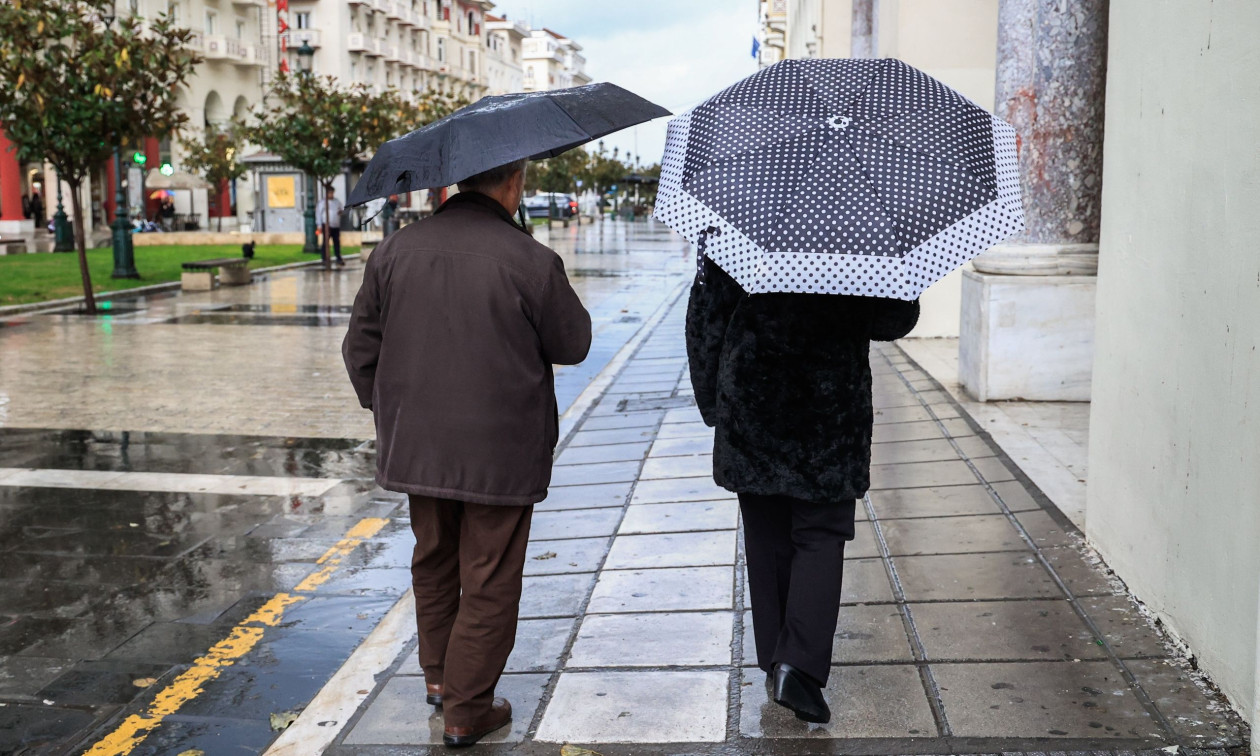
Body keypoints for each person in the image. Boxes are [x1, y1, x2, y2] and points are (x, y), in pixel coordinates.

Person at [342, 160, 591, 748]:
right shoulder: (528, 260)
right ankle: (467, 706)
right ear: (513, 184)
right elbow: (573, 342)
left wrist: (388, 413)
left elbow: (360, 348)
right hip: (500, 449)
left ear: (454, 185)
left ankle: (438, 679)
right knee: (489, 574)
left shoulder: (396, 250)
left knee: (434, 559)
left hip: (418, 445)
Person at [685, 256, 919, 724]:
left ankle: (778, 662)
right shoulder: (857, 230)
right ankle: (799, 666)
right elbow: (893, 319)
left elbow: (705, 318)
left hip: (753, 398)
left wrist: (714, 404)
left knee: (766, 533)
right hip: (829, 408)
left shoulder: (741, 222)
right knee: (821, 533)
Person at [315, 186, 345, 266]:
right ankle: (324, 258)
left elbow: (341, 209)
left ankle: (338, 257)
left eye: (332, 193)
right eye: (329, 193)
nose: (331, 194)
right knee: (326, 242)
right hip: (326, 224)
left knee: (336, 242)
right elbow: (318, 214)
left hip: (335, 225)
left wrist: (340, 212)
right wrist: (319, 225)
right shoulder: (322, 203)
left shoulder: (337, 202)